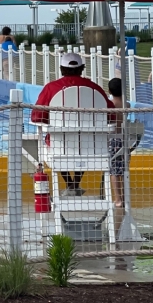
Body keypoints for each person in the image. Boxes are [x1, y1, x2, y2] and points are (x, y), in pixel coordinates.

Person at [31, 51, 114, 194]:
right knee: (83, 140)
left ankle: (71, 184)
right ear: (82, 68)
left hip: (60, 146)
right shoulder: (94, 89)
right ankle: (74, 184)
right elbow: (111, 116)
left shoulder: (51, 88)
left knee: (60, 142)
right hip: (92, 146)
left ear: (61, 69)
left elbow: (37, 117)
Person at [107, 77, 125, 207]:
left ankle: (118, 199)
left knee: (113, 171)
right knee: (123, 170)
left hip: (113, 139)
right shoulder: (126, 104)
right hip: (124, 139)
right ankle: (124, 197)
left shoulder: (110, 105)